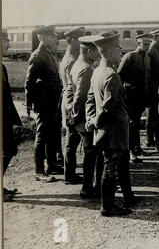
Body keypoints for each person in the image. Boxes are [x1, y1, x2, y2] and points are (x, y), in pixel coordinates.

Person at [85, 31, 136, 216]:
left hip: (108, 129)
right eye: (118, 49)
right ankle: (107, 206)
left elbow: (90, 99)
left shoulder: (98, 71)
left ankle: (128, 197)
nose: (121, 53)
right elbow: (108, 107)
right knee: (111, 166)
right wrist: (95, 122)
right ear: (110, 50)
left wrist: (91, 119)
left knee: (119, 163)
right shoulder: (111, 75)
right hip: (114, 129)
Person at [66, 35, 104, 198]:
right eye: (96, 51)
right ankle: (88, 188)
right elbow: (81, 97)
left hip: (76, 117)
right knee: (92, 153)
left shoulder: (77, 64)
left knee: (80, 149)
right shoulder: (88, 69)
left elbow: (70, 89)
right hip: (84, 118)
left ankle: (82, 182)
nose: (98, 54)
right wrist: (78, 117)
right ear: (88, 51)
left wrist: (70, 113)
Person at [25, 25, 62, 182]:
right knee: (41, 136)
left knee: (53, 134)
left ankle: (51, 165)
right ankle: (39, 170)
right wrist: (29, 104)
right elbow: (29, 83)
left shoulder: (49, 55)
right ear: (42, 37)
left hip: (53, 102)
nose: (55, 39)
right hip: (44, 103)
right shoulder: (38, 56)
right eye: (52, 36)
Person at [118, 33, 150, 160]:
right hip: (130, 97)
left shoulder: (147, 58)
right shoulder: (130, 56)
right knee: (131, 124)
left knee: (136, 123)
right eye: (145, 44)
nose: (147, 47)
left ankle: (137, 147)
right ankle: (130, 151)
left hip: (141, 97)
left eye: (148, 44)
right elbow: (119, 75)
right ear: (139, 43)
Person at [61, 27, 86, 184]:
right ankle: (69, 175)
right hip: (72, 103)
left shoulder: (69, 57)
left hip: (69, 102)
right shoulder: (71, 60)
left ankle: (69, 174)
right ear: (71, 40)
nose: (81, 41)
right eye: (78, 38)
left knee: (72, 140)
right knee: (72, 141)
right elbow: (74, 87)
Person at [2, 31, 22, 201]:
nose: (8, 44)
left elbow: (7, 97)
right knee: (8, 150)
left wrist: (15, 120)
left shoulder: (2, 67)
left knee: (9, 150)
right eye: (5, 41)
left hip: (4, 120)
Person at [146, 29, 159, 152]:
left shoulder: (156, 49)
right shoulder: (151, 50)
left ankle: (153, 140)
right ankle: (153, 140)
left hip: (157, 86)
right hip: (153, 87)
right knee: (154, 114)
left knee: (155, 114)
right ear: (154, 37)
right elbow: (148, 70)